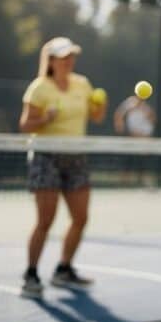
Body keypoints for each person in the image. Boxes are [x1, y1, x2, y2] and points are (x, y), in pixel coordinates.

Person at [18, 36, 106, 299]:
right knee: (46, 220)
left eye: (72, 56)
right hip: (46, 156)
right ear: (52, 60)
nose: (69, 60)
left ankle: (63, 269)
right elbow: (25, 125)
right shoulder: (39, 88)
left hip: (76, 156)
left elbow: (96, 116)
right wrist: (45, 118)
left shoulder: (82, 84)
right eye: (64, 56)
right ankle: (31, 274)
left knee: (81, 218)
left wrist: (100, 105)